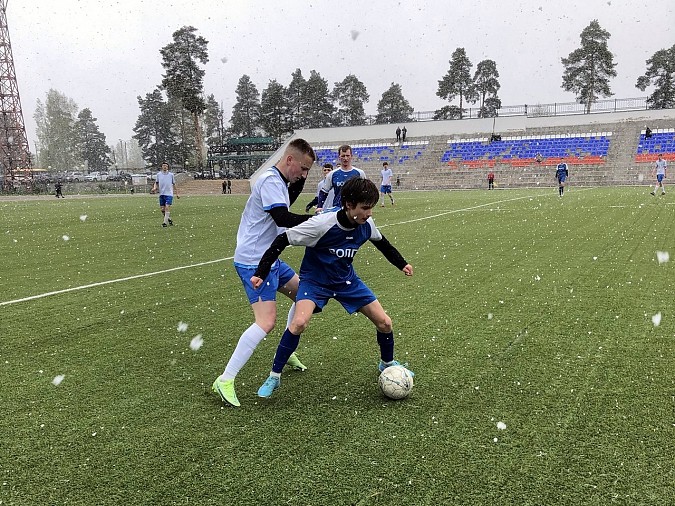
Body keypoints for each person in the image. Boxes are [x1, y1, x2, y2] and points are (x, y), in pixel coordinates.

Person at [252, 177, 414, 399]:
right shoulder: (322, 224)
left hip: (347, 281)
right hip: (315, 281)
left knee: (385, 323)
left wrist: (402, 263)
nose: (369, 214)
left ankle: (386, 363)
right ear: (349, 205)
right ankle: (274, 376)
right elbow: (282, 239)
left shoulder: (366, 225)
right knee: (299, 322)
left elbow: (383, 244)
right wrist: (261, 273)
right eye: (365, 208)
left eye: (371, 208)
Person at [212, 138, 316, 407]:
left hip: (269, 259)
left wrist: (302, 178)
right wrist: (320, 220)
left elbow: (288, 200)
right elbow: (283, 218)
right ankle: (225, 379)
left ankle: (287, 347)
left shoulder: (279, 181)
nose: (303, 175)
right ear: (289, 160)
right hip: (253, 263)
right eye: (303, 169)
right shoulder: (270, 181)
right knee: (265, 322)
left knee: (305, 295)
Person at [316, 144, 365, 211]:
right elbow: (324, 192)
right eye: (343, 156)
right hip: (337, 210)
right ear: (339, 157)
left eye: (347, 156)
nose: (345, 158)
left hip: (354, 210)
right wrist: (319, 206)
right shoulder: (332, 174)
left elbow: (365, 191)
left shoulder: (359, 173)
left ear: (351, 156)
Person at [150, 162, 180, 227]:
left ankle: (164, 222)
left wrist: (177, 193)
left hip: (169, 194)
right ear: (161, 167)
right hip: (162, 194)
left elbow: (174, 184)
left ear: (168, 167)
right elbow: (156, 183)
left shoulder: (171, 175)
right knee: (162, 210)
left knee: (167, 207)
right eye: (163, 166)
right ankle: (169, 219)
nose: (165, 167)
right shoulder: (159, 174)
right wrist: (154, 188)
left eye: (166, 166)